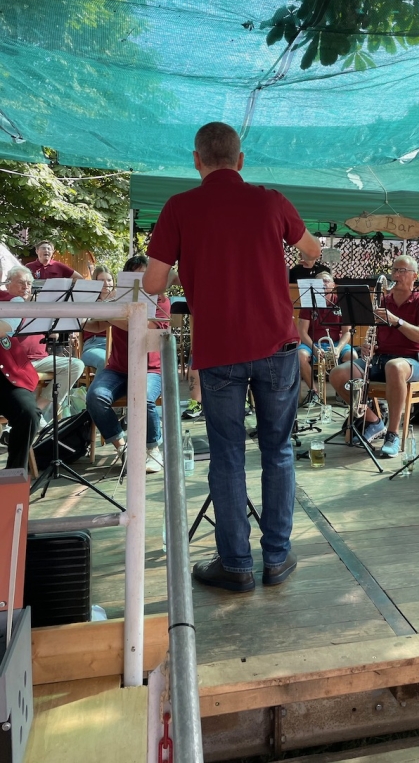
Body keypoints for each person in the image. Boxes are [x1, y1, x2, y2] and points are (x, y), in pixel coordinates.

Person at [143, 120, 321, 593]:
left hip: (219, 351)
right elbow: (312, 249)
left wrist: (190, 271)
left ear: (196, 161)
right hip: (277, 347)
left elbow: (153, 283)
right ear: (240, 161)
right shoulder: (271, 201)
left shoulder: (179, 206)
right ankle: (277, 559)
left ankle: (236, 564)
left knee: (226, 455)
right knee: (278, 450)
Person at [329, 255, 419, 458]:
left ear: (414, 276)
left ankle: (393, 434)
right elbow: (375, 334)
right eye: (394, 270)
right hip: (380, 359)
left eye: (402, 271)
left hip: (413, 361)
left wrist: (397, 321)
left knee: (394, 366)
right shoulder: (383, 301)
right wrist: (369, 346)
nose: (396, 275)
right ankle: (374, 421)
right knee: (338, 374)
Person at [86, 256, 170, 474]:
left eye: (144, 275)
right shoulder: (119, 300)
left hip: (150, 369)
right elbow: (96, 326)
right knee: (95, 397)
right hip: (118, 369)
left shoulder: (161, 300)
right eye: (134, 275)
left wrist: (110, 312)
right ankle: (123, 448)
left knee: (143, 397)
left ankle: (153, 449)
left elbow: (144, 326)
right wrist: (82, 314)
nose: (140, 280)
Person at [10, 267, 85, 420]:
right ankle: (30, 418)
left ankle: (38, 410)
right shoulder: (6, 306)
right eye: (21, 283)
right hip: (15, 363)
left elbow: (54, 335)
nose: (26, 287)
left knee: (76, 365)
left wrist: (58, 325)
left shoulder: (38, 307)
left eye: (29, 283)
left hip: (41, 360)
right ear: (8, 284)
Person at [297, 270, 356, 405]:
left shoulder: (341, 302)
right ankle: (314, 392)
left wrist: (338, 349)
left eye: (326, 281)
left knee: (352, 356)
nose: (323, 284)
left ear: (333, 285)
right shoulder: (309, 302)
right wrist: (315, 349)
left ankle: (341, 392)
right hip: (312, 343)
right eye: (320, 281)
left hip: (335, 342)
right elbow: (302, 332)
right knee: (300, 356)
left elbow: (347, 332)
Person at [0, 275, 41, 468]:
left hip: (6, 376)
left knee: (28, 414)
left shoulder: (12, 301)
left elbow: (4, 328)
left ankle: (13, 475)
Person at [81, 264, 115, 372]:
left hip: (116, 345)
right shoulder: (88, 301)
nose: (106, 284)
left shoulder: (120, 301)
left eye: (109, 280)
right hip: (94, 345)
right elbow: (81, 322)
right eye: (101, 281)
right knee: (105, 361)